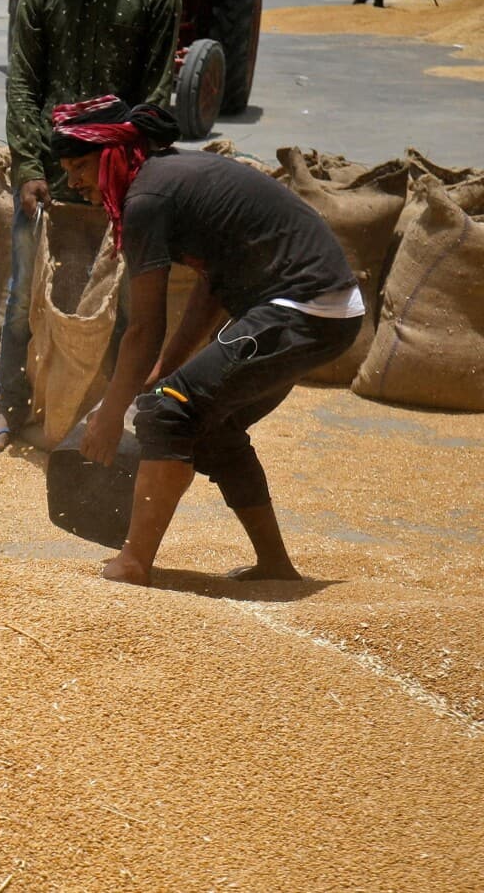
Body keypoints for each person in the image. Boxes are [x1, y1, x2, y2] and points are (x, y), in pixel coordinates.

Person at [52, 96, 363, 587]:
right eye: (67, 169)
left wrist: (113, 413)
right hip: (313, 309)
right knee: (207, 423)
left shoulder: (147, 200)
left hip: (304, 306)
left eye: (80, 166)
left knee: (167, 410)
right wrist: (164, 371)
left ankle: (134, 562)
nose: (72, 181)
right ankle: (276, 568)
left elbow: (143, 327)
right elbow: (211, 286)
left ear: (113, 154)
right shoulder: (165, 180)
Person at [0, 0, 183, 453]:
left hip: (123, 183)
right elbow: (23, 86)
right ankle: (10, 407)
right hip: (47, 181)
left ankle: (97, 418)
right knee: (20, 303)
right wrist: (33, 168)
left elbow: (154, 95)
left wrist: (116, 171)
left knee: (115, 308)